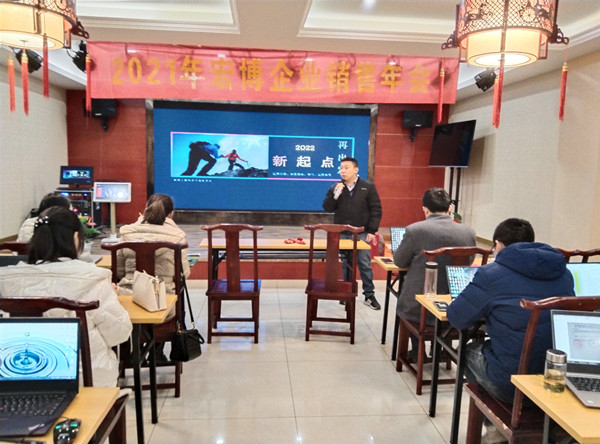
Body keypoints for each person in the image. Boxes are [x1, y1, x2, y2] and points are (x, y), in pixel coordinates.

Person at [0, 206, 132, 387]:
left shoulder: (5, 281)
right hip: (87, 382)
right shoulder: (93, 279)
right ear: (76, 238)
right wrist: (112, 297)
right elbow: (119, 334)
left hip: (18, 382)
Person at [446, 218, 574, 404]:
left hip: (512, 383)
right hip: (556, 378)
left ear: (498, 244)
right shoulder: (564, 274)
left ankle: (491, 416)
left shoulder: (491, 274)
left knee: (467, 350)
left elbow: (457, 318)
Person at [393, 187, 476, 362]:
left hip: (418, 307)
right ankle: (441, 349)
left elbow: (399, 261)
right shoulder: (468, 232)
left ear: (425, 209)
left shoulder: (414, 230)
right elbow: (468, 263)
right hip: (455, 302)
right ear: (450, 208)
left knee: (408, 297)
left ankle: (417, 351)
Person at [117, 193, 191, 363]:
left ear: (146, 209)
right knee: (174, 296)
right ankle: (156, 351)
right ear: (171, 214)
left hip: (128, 299)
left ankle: (135, 352)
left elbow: (119, 271)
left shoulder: (126, 233)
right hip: (162, 303)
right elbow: (183, 275)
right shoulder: (177, 237)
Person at [323, 156, 382, 310]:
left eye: (346, 168)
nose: (343, 171)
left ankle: (369, 295)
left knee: (364, 263)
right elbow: (327, 207)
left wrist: (372, 230)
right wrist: (335, 195)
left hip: (361, 232)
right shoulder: (336, 187)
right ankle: (346, 291)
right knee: (346, 263)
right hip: (342, 232)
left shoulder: (367, 187)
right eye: (341, 168)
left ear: (356, 170)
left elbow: (376, 209)